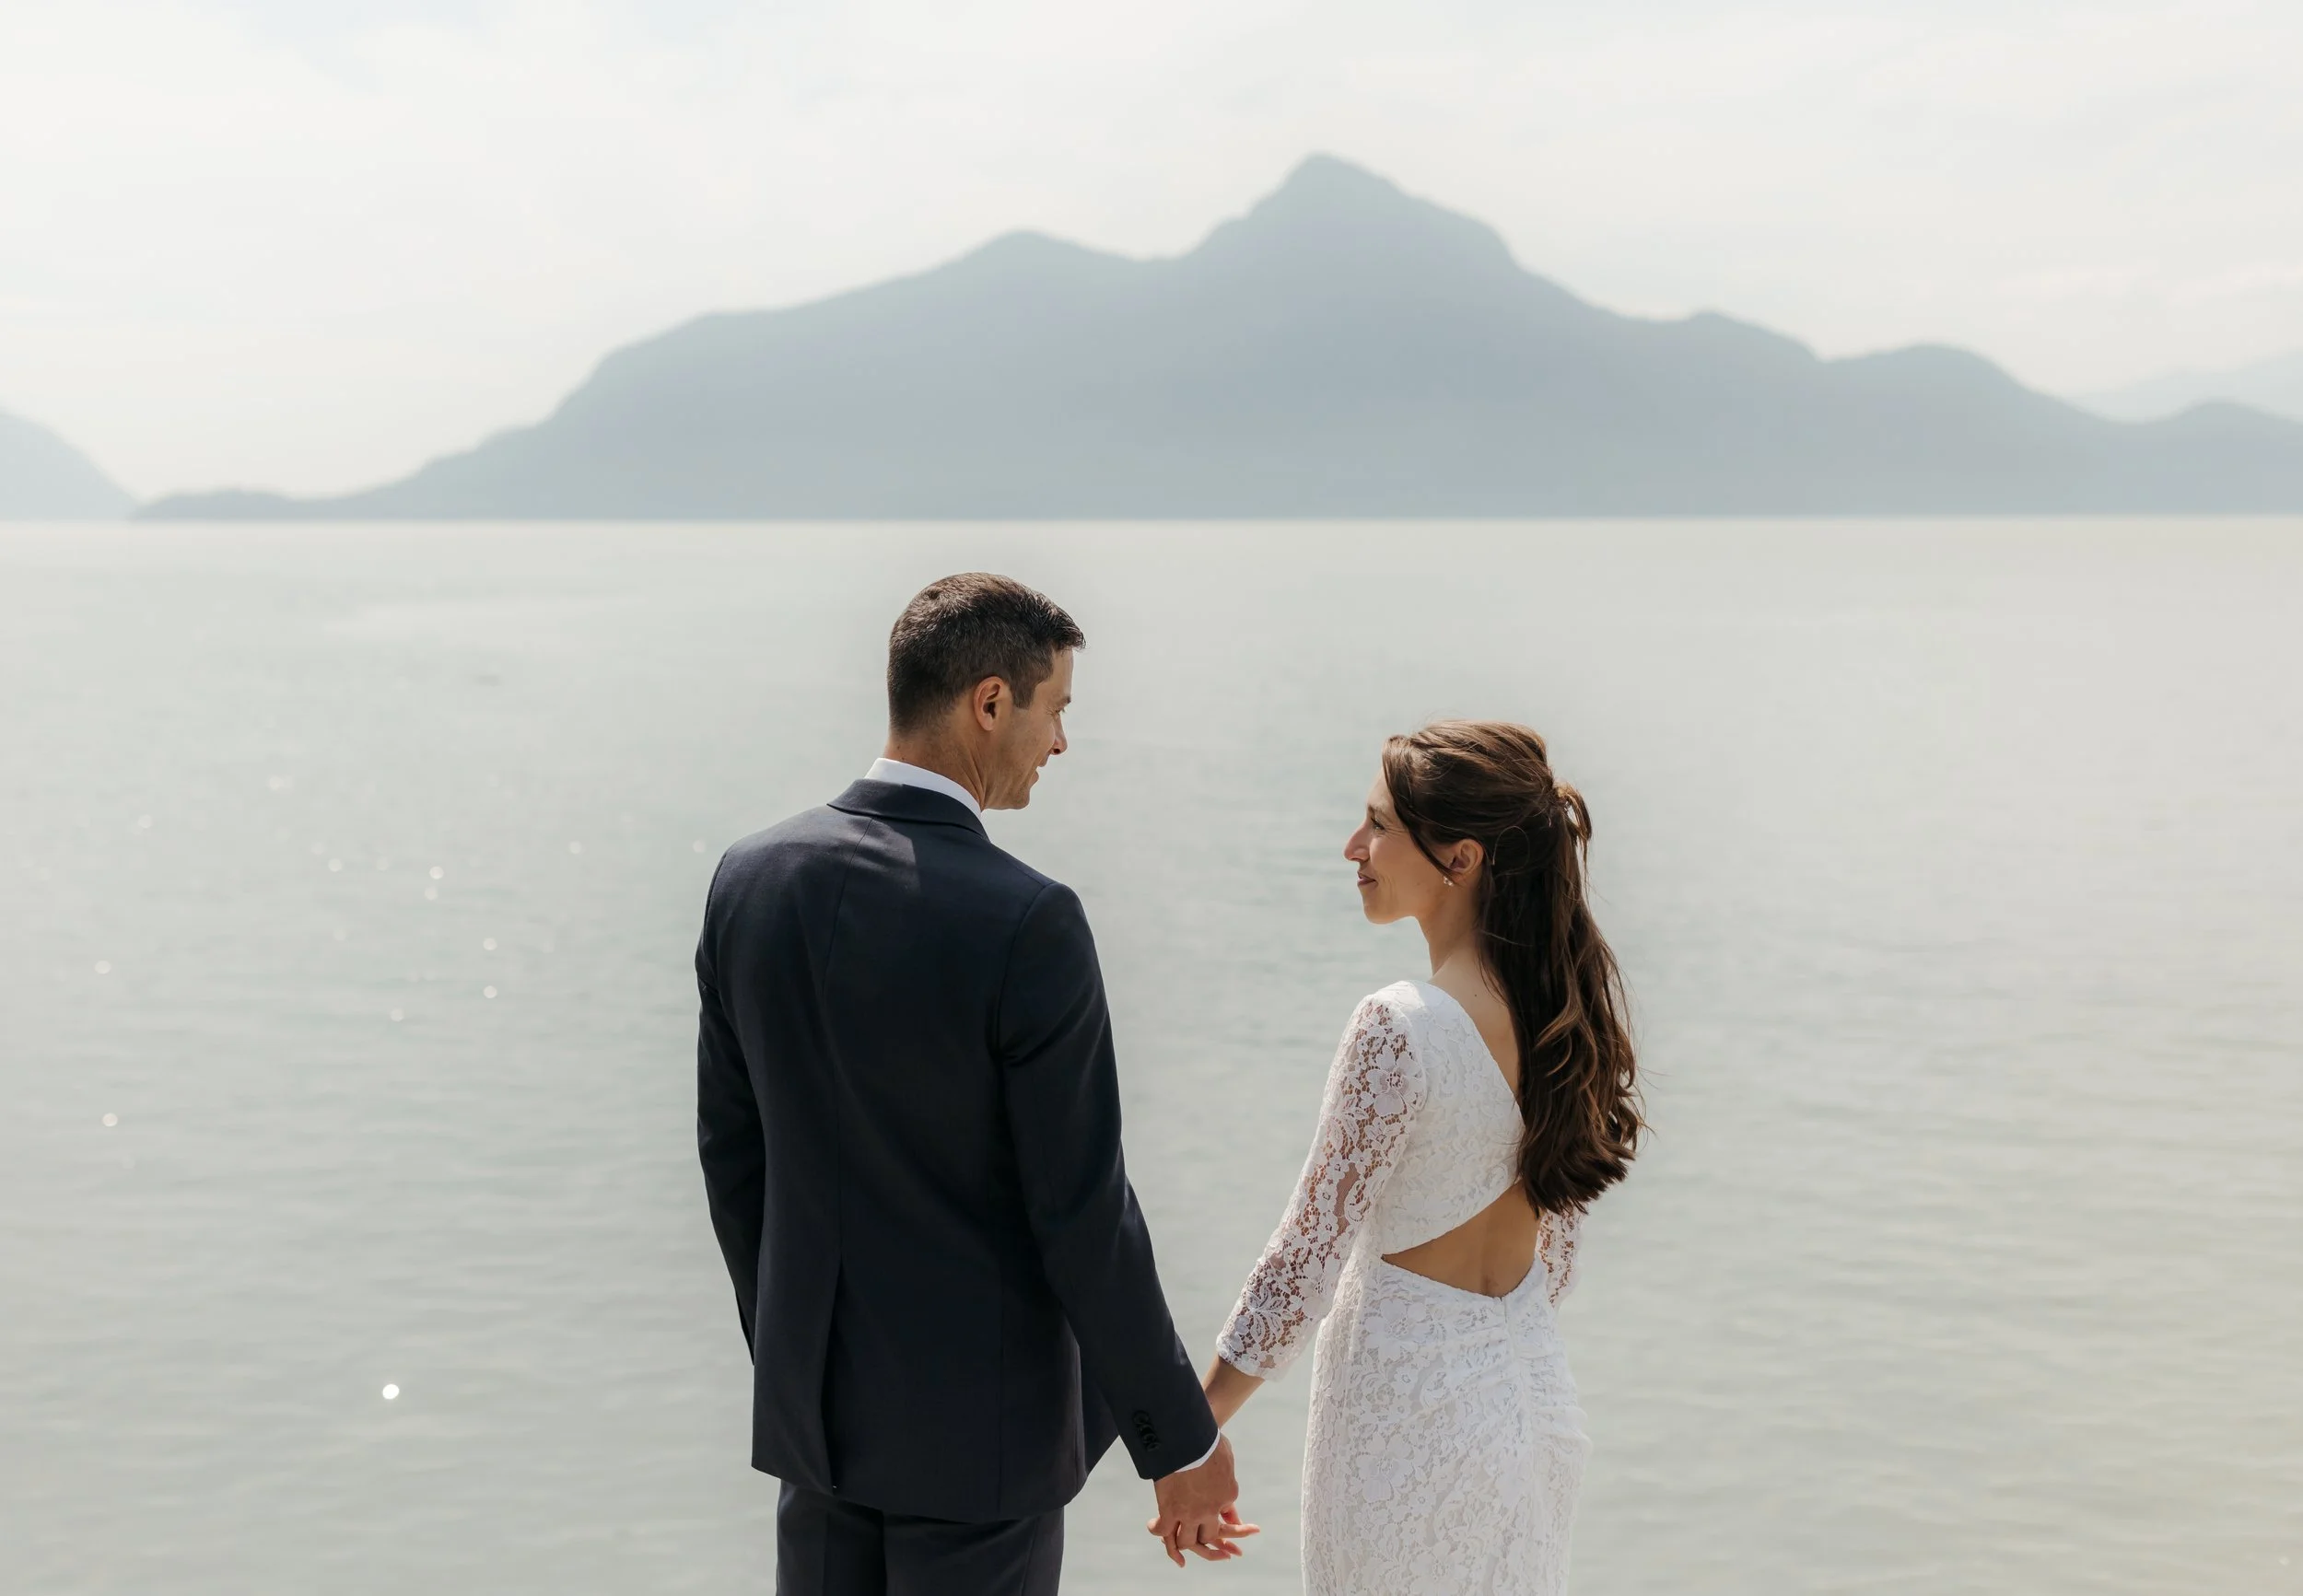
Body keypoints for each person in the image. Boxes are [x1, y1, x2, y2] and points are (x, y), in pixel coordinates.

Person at [695, 573, 1255, 1594]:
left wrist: (795, 1354)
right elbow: (1082, 1215)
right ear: (990, 701)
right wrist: (1176, 1442)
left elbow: (735, 1160)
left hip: (815, 1424)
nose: (1060, 742)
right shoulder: (1027, 920)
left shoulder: (749, 879)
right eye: (1057, 710)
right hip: (978, 1445)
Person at [1197, 720, 1642, 1594]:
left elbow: (1303, 1262)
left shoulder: (1399, 1028)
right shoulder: (1562, 1022)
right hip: (1531, 1409)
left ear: (1462, 858)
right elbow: (1553, 1263)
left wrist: (1192, 1426)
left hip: (1408, 1425)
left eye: (1379, 825)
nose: (1353, 847)